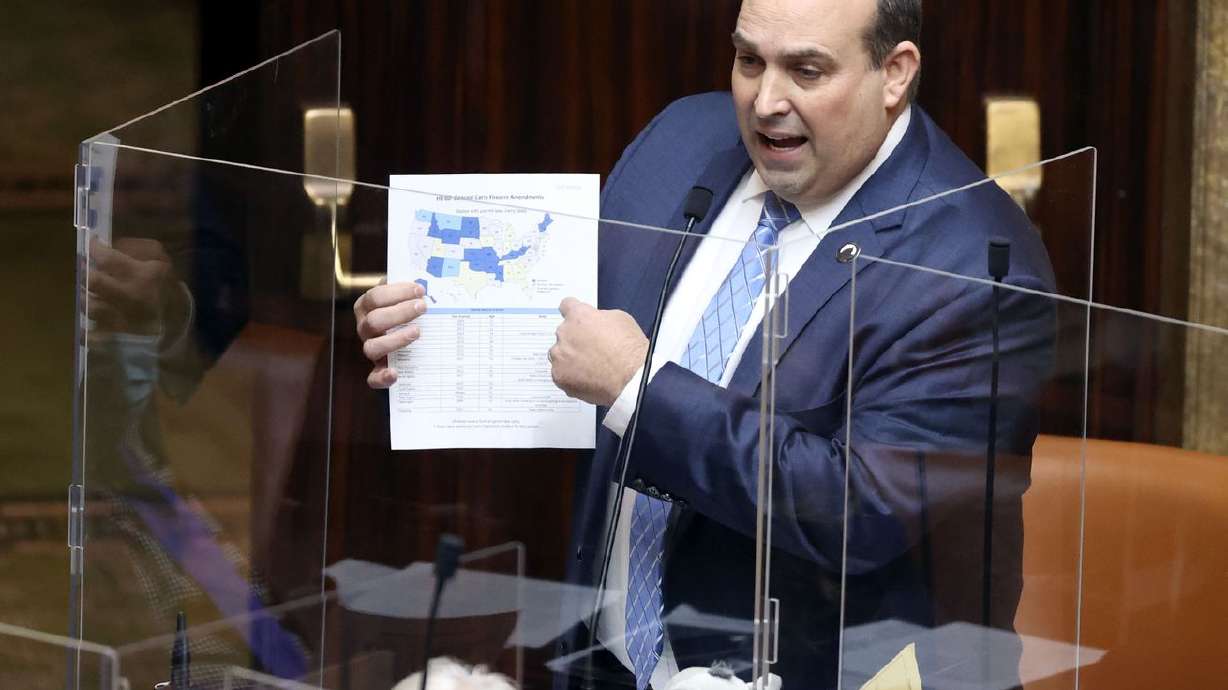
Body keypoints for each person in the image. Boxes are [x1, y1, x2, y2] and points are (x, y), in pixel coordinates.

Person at [356, 0, 1057, 688]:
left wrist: (641, 390)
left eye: (806, 71)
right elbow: (576, 334)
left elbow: (858, 509)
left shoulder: (974, 264)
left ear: (896, 72)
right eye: (749, 60)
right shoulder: (683, 138)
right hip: (604, 663)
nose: (764, 102)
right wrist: (433, 328)